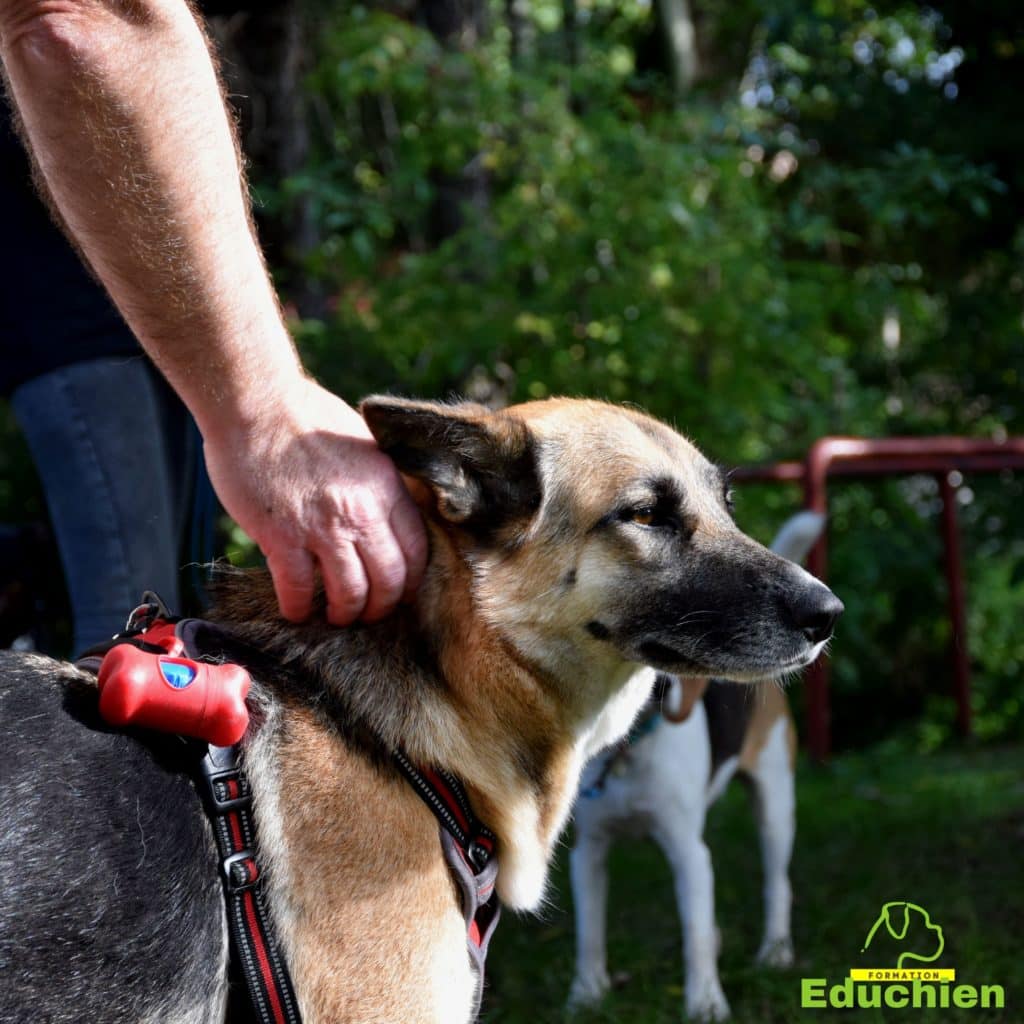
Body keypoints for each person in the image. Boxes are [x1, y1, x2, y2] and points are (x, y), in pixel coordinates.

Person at [0, 0, 428, 633]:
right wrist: (267, 410)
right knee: (129, 628)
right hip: (71, 344)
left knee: (166, 613)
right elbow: (74, 20)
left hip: (157, 347)